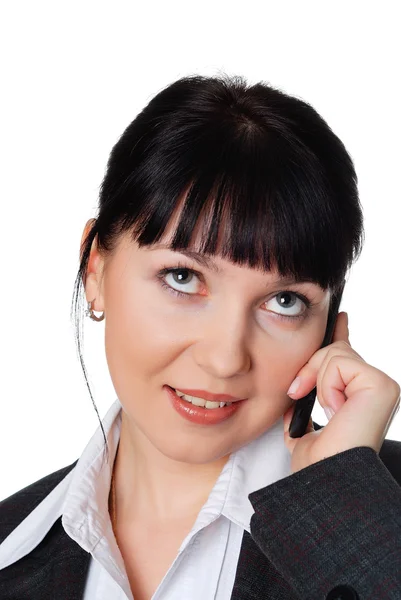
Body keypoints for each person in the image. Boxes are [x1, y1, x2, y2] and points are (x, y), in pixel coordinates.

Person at [0, 74, 400, 600]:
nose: (224, 358)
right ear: (95, 267)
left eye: (284, 302)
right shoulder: (12, 548)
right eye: (183, 278)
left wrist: (341, 505)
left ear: (329, 327)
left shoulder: (380, 519)